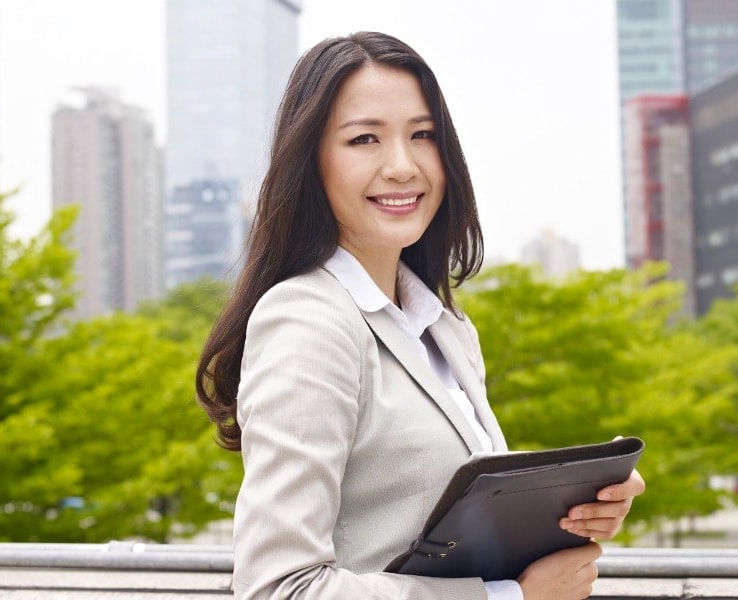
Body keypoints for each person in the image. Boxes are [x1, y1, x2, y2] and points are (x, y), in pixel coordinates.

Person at [196, 31, 645, 600]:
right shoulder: (307, 320)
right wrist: (510, 598)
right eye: (364, 139)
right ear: (311, 163)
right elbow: (279, 588)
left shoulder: (443, 326)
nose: (403, 166)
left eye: (422, 135)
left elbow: (441, 518)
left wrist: (578, 502)